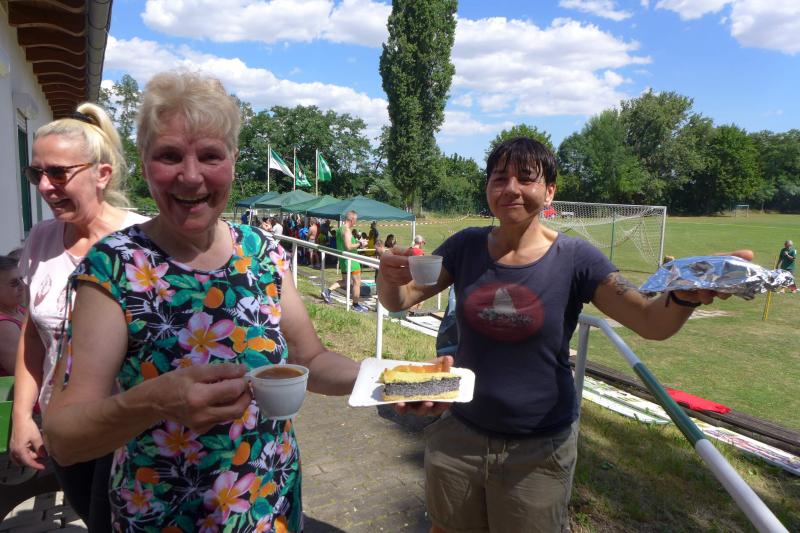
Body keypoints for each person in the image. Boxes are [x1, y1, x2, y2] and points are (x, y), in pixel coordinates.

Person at [377, 137, 749, 533]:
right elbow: (401, 300)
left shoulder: (576, 258)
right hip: (459, 433)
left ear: (550, 191)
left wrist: (684, 294)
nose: (511, 189)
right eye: (499, 178)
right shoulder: (465, 246)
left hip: (537, 449)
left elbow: (649, 321)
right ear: (487, 188)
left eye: (526, 178)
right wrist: (389, 276)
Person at [41, 71, 360, 532]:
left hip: (271, 509)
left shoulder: (263, 253)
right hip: (163, 519)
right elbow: (64, 438)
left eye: (210, 155)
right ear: (145, 163)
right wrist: (153, 402)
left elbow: (310, 359)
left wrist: (388, 379)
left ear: (232, 161)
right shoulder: (114, 266)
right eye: (169, 155)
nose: (191, 176)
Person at [10, 103, 148, 530]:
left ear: (102, 174)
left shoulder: (146, 242)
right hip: (64, 427)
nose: (44, 187)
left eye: (58, 173)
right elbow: (34, 334)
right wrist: (22, 416)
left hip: (133, 431)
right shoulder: (41, 238)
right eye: (35, 173)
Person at [321, 211, 368, 312]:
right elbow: (348, 246)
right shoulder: (346, 230)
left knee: (345, 281)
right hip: (351, 260)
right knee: (357, 282)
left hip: (343, 260)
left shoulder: (340, 229)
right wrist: (360, 244)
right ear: (352, 219)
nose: (356, 222)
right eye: (356, 220)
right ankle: (355, 305)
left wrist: (357, 242)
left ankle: (327, 291)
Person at [0, 255, 25, 376]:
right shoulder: (4, 327)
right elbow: (23, 371)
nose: (23, 286)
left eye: (22, 279)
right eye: (14, 283)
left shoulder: (19, 309)